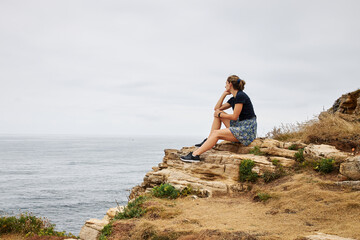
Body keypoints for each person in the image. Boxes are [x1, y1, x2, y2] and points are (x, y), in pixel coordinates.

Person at [180, 75, 257, 162]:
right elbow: (217, 109)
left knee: (216, 133)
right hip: (240, 125)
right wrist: (224, 94)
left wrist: (221, 115)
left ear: (230, 84)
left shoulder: (241, 96)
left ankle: (195, 155)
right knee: (217, 114)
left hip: (246, 130)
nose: (225, 86)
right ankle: (209, 139)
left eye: (226, 83)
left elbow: (234, 117)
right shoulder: (234, 98)